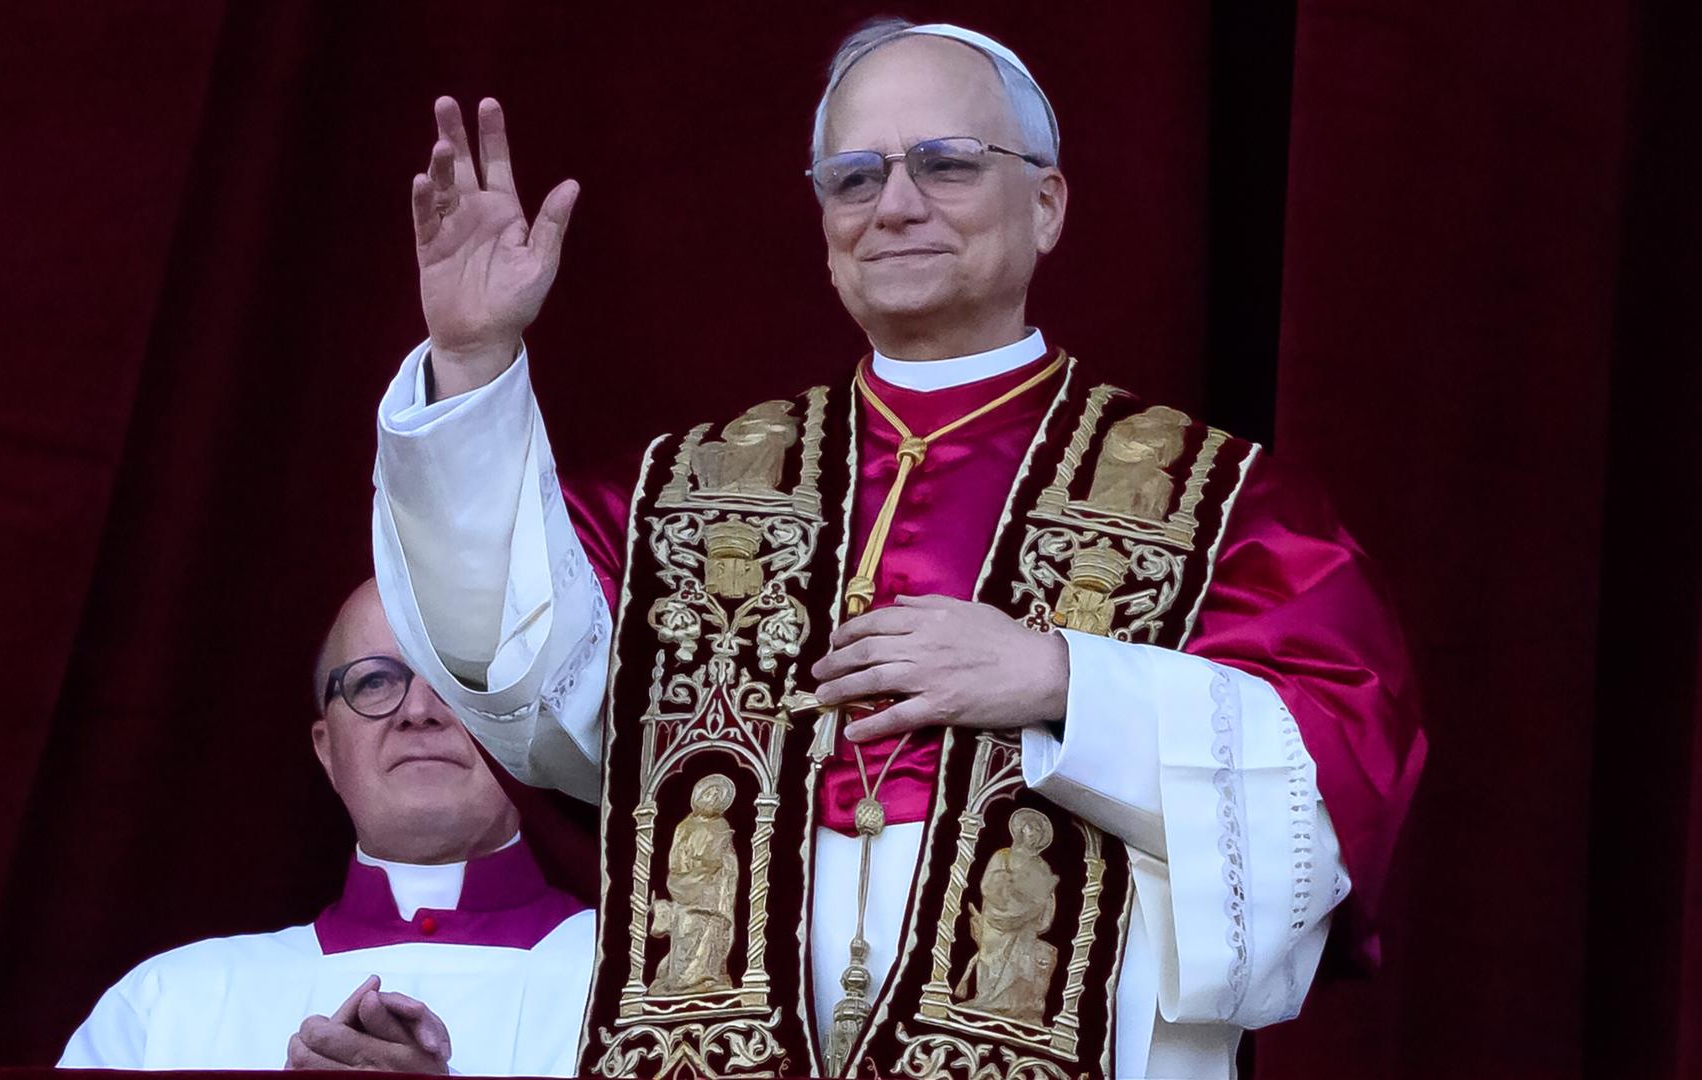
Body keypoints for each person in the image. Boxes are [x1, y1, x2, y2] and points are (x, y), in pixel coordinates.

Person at [371, 17, 1425, 1079]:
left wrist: (1069, 680)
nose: (897, 205)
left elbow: (1335, 782)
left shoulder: (1224, 501)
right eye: (854, 177)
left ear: (1048, 204)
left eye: (948, 165)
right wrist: (473, 364)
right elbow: (508, 658)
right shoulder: (683, 492)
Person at [58, 582, 592, 1073]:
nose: (419, 710)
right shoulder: (167, 1003)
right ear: (327, 751)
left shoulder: (645, 986)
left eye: (461, 677)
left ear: (533, 733)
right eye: (376, 681)